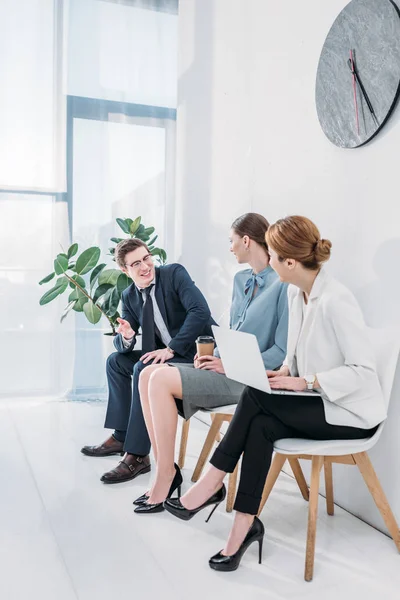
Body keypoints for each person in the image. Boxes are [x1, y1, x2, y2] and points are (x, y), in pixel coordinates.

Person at [163, 215, 386, 572]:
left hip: (349, 416)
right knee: (261, 425)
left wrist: (306, 382)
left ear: (289, 262)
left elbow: (363, 373)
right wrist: (282, 372)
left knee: (253, 398)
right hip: (318, 404)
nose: (268, 259)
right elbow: (295, 356)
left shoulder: (335, 300)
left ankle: (210, 484)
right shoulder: (299, 295)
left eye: (273, 253)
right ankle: (244, 525)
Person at [133, 213, 289, 514]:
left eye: (232, 241)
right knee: (147, 373)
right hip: (225, 367)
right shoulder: (240, 279)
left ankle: (165, 476)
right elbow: (232, 332)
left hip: (252, 378)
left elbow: (280, 351)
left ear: (246, 240)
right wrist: (213, 354)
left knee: (159, 379)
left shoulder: (283, 284)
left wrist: (229, 365)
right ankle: (164, 470)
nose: (230, 248)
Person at [81, 238, 215, 484]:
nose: (145, 267)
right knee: (116, 361)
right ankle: (122, 436)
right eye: (136, 264)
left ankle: (138, 455)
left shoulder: (173, 274)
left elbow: (200, 311)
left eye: (146, 258)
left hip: (196, 353)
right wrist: (129, 337)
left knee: (144, 366)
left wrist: (172, 349)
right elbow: (123, 339)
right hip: (168, 353)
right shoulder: (129, 295)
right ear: (125, 270)